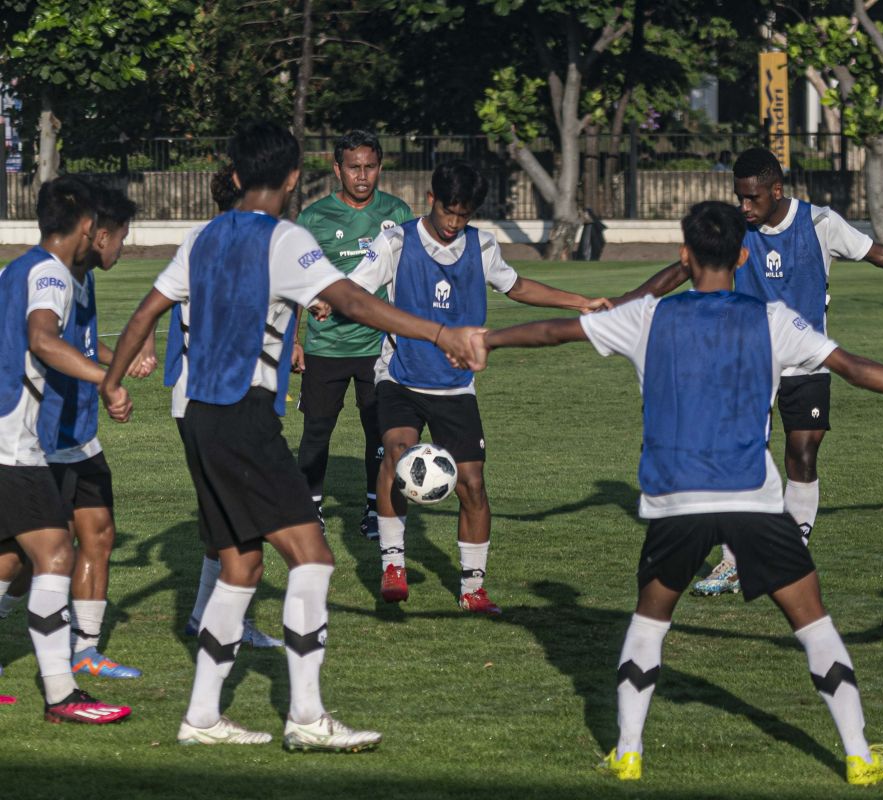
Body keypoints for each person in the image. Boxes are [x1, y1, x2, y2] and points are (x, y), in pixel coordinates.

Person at [480, 200, 883, 784]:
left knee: (649, 622)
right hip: (752, 500)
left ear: (684, 256)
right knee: (813, 624)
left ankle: (628, 750)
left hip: (674, 502)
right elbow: (854, 366)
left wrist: (486, 340)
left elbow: (557, 331)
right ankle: (859, 755)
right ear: (741, 254)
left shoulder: (647, 317)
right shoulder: (774, 319)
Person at [99, 120, 486, 750]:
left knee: (241, 562)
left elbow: (148, 308)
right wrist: (440, 334)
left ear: (231, 176)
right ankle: (306, 717)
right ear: (291, 179)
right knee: (313, 558)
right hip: (242, 415)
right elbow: (353, 302)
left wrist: (113, 382)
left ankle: (201, 718)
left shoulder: (200, 238)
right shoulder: (285, 239)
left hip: (197, 413)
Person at [615, 147, 883, 597]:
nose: (744, 207)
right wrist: (630, 301)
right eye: (739, 198)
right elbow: (684, 268)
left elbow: (881, 255)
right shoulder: (738, 230)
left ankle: (788, 550)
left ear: (776, 190)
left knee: (802, 452)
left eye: (752, 198)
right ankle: (733, 563)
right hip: (748, 360)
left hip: (808, 358)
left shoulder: (820, 223)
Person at [348, 160, 610, 615]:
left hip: (455, 385)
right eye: (448, 212)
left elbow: (517, 285)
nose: (453, 224)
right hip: (401, 376)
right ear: (431, 200)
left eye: (463, 215)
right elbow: (354, 290)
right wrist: (326, 303)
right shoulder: (395, 241)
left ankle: (473, 587)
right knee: (397, 453)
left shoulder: (481, 245)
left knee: (472, 484)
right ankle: (393, 564)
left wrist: (580, 301)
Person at [0, 176, 132, 723]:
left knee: (11, 559)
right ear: (87, 227)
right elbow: (42, 339)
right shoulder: (51, 273)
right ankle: (62, 694)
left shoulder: (17, 267)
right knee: (55, 554)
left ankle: (66, 686)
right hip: (13, 442)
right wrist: (106, 378)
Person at [179, 164, 284, 649]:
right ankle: (218, 623)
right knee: (240, 520)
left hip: (196, 397)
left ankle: (207, 615)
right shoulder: (232, 246)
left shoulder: (200, 240)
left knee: (219, 516)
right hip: (220, 397)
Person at [294, 131, 413, 540]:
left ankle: (374, 509)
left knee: (379, 431)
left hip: (379, 346)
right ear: (337, 169)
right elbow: (298, 282)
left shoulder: (398, 213)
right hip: (326, 345)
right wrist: (294, 340)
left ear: (380, 167)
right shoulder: (313, 218)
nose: (362, 176)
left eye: (370, 167)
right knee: (316, 431)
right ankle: (310, 511)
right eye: (354, 167)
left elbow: (408, 275)